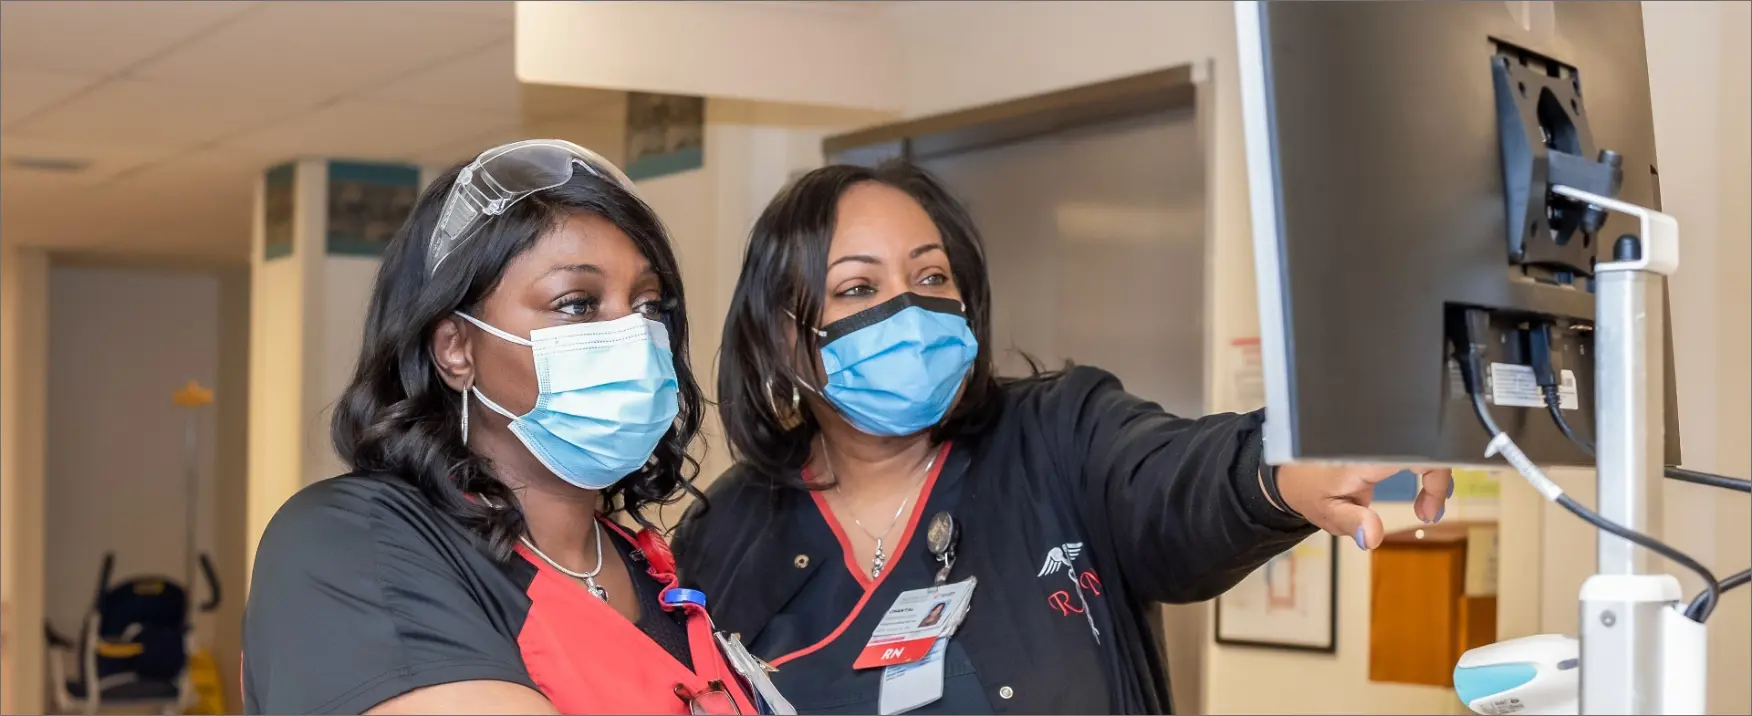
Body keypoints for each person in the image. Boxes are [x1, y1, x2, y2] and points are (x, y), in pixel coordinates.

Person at [673, 161, 1452, 714]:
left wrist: (1278, 470)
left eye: (932, 277)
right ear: (782, 337)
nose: (910, 312)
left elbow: (1174, 482)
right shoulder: (728, 534)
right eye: (858, 288)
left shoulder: (1060, 435)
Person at [243, 140, 758, 715]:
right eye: (576, 304)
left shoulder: (651, 571)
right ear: (455, 349)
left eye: (647, 306)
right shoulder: (353, 542)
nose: (633, 337)